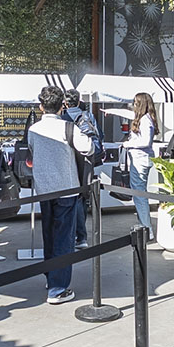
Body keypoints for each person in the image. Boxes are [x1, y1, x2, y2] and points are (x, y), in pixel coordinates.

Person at [27, 85, 93, 305]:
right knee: (64, 239)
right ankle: (58, 288)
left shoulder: (33, 129)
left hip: (43, 190)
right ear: (62, 106)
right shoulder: (69, 128)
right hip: (66, 188)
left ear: (41, 106)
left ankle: (51, 277)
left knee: (49, 235)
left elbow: (32, 152)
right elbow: (89, 148)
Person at [62, 89, 103, 249]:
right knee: (83, 197)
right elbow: (100, 136)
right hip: (87, 160)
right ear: (78, 102)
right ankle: (82, 237)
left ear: (65, 103)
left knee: (70, 196)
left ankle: (72, 235)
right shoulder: (89, 116)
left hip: (69, 161)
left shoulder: (62, 119)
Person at [121, 92, 158, 238]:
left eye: (135, 102)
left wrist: (127, 144)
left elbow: (145, 142)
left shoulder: (145, 120)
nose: (133, 104)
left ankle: (146, 229)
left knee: (139, 195)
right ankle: (144, 226)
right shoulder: (147, 119)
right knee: (139, 193)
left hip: (140, 160)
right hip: (142, 159)